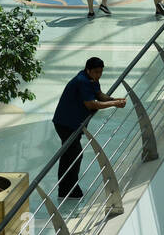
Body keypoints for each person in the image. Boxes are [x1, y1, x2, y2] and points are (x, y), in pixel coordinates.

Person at [52, 57, 125, 200]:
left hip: (73, 123)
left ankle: (68, 188)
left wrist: (114, 99)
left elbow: (99, 95)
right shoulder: (82, 81)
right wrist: (114, 104)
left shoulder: (91, 79)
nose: (99, 75)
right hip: (66, 124)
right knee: (72, 155)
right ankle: (67, 190)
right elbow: (91, 104)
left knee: (70, 155)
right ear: (88, 70)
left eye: (101, 72)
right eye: (96, 72)